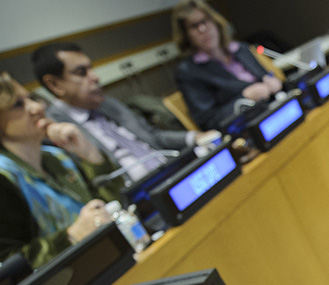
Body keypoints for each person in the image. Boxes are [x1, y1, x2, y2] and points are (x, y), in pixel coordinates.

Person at [0, 68, 114, 267]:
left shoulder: (55, 156)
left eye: (31, 98)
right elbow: (4, 264)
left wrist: (89, 153)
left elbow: (114, 204)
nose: (37, 107)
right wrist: (71, 236)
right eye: (18, 104)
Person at [32, 42, 210, 184]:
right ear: (55, 85)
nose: (95, 77)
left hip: (172, 171)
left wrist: (195, 137)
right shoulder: (56, 133)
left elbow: (153, 136)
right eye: (81, 72)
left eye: (91, 68)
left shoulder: (107, 104)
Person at [171, 0, 283, 131]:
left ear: (214, 21)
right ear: (186, 35)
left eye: (204, 21)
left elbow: (265, 76)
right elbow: (209, 123)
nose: (202, 29)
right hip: (247, 128)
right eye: (194, 26)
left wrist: (272, 81)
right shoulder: (189, 72)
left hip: (276, 110)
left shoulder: (241, 49)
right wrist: (245, 98)